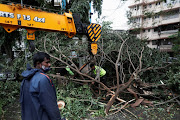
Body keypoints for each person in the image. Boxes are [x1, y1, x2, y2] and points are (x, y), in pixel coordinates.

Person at [20, 52, 65, 120]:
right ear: (38, 63)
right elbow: (50, 105)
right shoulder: (43, 79)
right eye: (47, 62)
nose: (49, 65)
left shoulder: (25, 79)